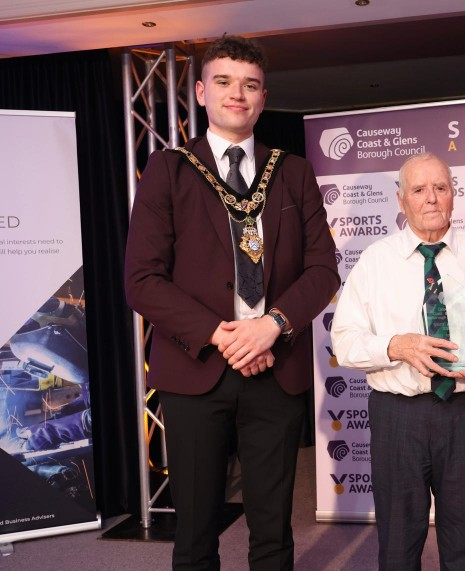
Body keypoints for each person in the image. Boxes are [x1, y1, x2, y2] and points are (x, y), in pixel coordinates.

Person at [125, 35, 340, 570]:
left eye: (249, 85)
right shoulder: (168, 170)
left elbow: (322, 270)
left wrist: (271, 326)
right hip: (197, 371)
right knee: (196, 534)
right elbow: (143, 280)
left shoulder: (292, 172)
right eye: (223, 82)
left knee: (273, 532)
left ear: (264, 97)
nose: (236, 95)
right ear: (200, 92)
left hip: (275, 368)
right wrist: (225, 335)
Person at [331, 152, 465, 571]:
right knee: (399, 546)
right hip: (397, 416)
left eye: (440, 188)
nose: (431, 199)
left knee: (463, 543)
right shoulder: (375, 261)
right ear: (401, 200)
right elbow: (345, 340)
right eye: (419, 190)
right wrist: (396, 346)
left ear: (454, 196)